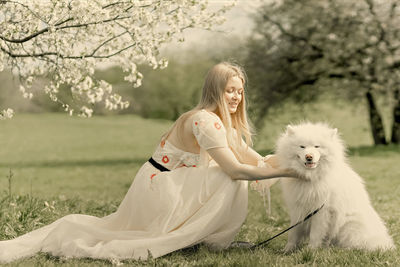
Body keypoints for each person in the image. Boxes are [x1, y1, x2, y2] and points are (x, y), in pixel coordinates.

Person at [0, 62, 295, 263]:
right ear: (215, 90)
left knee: (234, 172)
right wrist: (282, 171)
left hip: (160, 184)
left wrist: (292, 159)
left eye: (240, 91)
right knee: (229, 177)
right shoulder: (205, 121)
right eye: (230, 90)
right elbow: (236, 168)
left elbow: (252, 158)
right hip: (161, 190)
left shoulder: (222, 123)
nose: (236, 97)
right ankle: (205, 238)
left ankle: (203, 236)